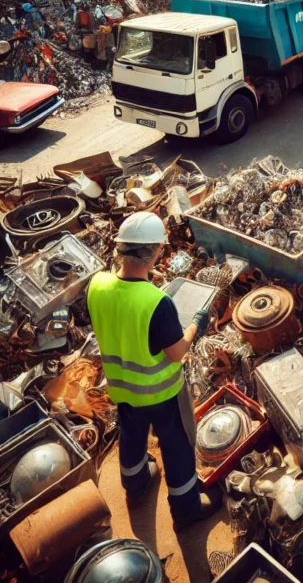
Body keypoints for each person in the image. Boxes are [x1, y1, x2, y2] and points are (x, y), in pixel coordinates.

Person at [87, 211, 221, 530]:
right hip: (161, 394)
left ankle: (134, 488)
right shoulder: (156, 303)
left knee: (131, 437)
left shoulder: (97, 285)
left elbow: (121, 317)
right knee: (176, 445)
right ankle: (186, 507)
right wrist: (195, 326)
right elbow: (176, 353)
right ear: (155, 252)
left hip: (122, 390)